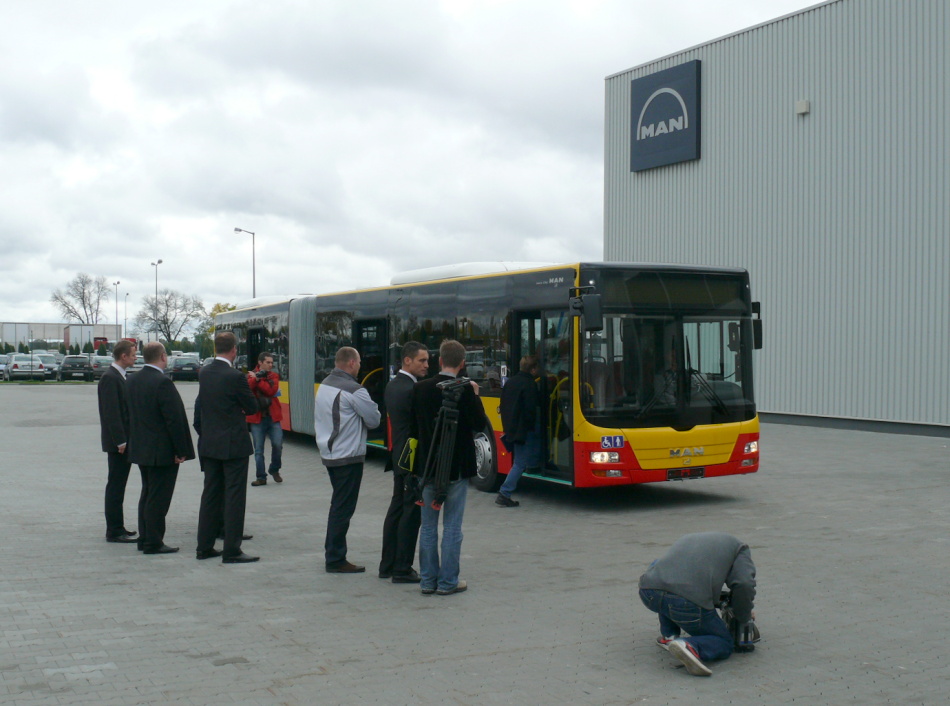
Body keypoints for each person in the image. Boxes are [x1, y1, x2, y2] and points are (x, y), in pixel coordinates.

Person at [411, 340, 488, 596]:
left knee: (428, 526)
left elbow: (413, 426)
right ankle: (448, 582)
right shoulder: (466, 390)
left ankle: (427, 581)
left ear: (439, 360)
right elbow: (479, 424)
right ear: (463, 363)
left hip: (426, 466)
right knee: (453, 526)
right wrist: (475, 395)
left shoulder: (420, 389)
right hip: (457, 469)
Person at [638, 532, 757, 677]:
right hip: (685, 602)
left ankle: (669, 637)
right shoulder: (741, 549)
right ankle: (690, 646)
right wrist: (743, 616)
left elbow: (661, 565)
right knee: (725, 643)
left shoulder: (691, 539)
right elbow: (744, 584)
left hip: (649, 591)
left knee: (669, 589)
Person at [314, 346, 381, 573]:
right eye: (360, 361)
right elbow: (374, 420)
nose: (361, 366)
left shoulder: (325, 384)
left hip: (329, 452)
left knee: (338, 505)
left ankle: (333, 554)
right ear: (352, 363)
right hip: (348, 456)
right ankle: (335, 558)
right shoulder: (355, 390)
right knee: (342, 508)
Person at [195, 332, 259, 563]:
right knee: (234, 496)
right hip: (233, 445)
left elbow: (202, 406)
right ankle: (232, 550)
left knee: (210, 494)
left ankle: (204, 547)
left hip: (210, 443)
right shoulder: (235, 376)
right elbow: (251, 407)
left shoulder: (205, 373)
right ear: (233, 350)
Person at [127, 342, 195, 554]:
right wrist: (181, 450)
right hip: (162, 451)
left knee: (147, 493)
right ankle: (153, 542)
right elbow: (174, 420)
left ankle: (145, 537)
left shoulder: (132, 379)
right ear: (163, 357)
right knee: (158, 498)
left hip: (141, 448)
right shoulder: (162, 382)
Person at [378, 341, 429, 583]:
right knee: (410, 513)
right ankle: (402, 568)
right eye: (422, 360)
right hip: (411, 455)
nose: (426, 365)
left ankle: (386, 564)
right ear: (407, 360)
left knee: (396, 508)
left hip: (398, 453)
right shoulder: (412, 389)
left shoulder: (392, 385)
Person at [98, 339, 138, 543]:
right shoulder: (110, 378)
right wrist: (121, 440)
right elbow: (111, 413)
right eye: (133, 354)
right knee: (115, 485)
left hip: (123, 441)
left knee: (119, 485)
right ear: (123, 356)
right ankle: (114, 530)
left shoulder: (120, 376)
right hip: (118, 444)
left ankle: (118, 526)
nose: (135, 357)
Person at [497, 354, 540, 508]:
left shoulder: (511, 382)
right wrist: (531, 426)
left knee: (519, 460)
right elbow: (530, 409)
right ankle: (504, 492)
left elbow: (503, 405)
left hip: (511, 428)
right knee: (520, 463)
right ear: (533, 369)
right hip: (522, 429)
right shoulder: (529, 384)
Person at [248, 352, 284, 486]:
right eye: (268, 362)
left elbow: (271, 391)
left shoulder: (273, 376)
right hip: (257, 418)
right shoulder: (250, 375)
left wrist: (258, 379)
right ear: (260, 362)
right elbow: (249, 387)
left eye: (271, 362)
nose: (271, 365)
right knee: (258, 450)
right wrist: (256, 379)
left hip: (273, 417)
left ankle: (274, 469)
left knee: (277, 445)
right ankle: (261, 477)